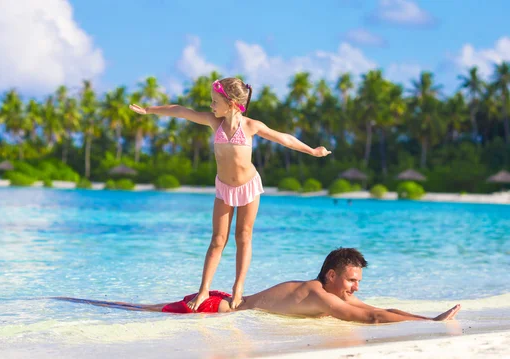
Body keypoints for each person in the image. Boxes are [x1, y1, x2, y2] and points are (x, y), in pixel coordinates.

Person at [129, 78, 331, 311]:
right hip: (224, 188)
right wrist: (149, 110)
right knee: (217, 240)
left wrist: (312, 150)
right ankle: (204, 289)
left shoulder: (251, 126)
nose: (211, 106)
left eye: (215, 101)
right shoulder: (214, 122)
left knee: (243, 236)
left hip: (248, 186)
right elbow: (181, 111)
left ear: (232, 103)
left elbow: (284, 138)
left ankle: (238, 288)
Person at [53, 248, 461, 323]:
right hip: (214, 309)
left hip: (219, 305)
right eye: (351, 281)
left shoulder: (324, 293)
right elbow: (370, 319)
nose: (355, 288)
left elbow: (374, 310)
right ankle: (74, 300)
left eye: (358, 282)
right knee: (136, 312)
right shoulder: (318, 294)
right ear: (332, 275)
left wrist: (422, 318)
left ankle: (80, 300)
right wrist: (430, 322)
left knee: (141, 310)